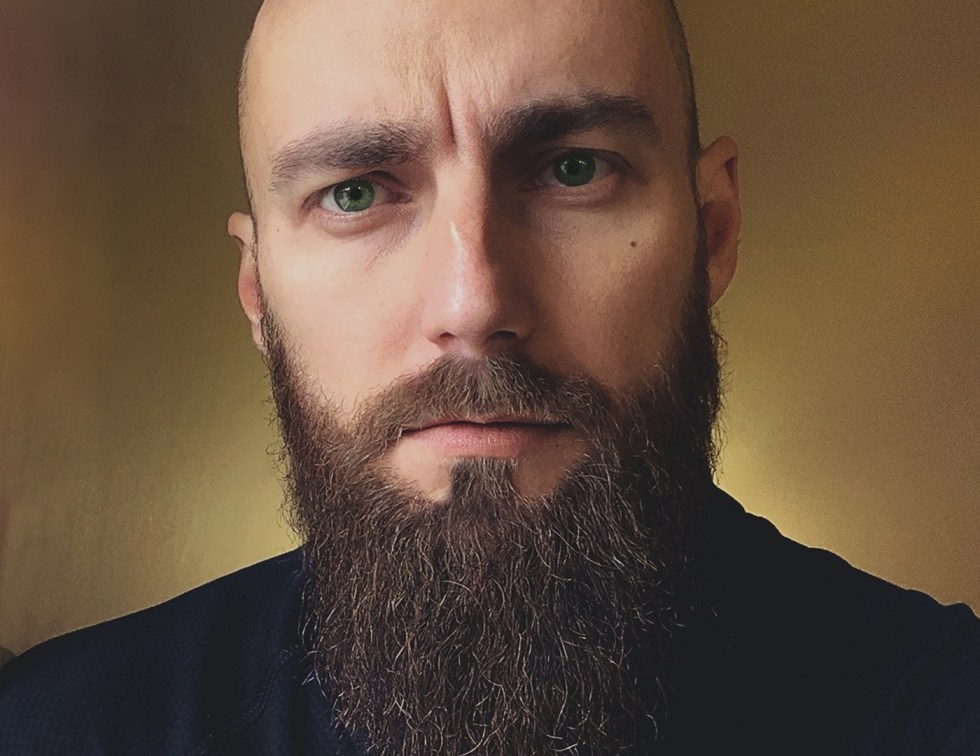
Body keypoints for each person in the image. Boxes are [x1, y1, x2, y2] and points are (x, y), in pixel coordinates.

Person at [1, 0, 978, 752]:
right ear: (259, 293)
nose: (473, 303)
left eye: (574, 170)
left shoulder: (937, 711)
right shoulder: (58, 732)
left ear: (711, 232)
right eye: (355, 193)